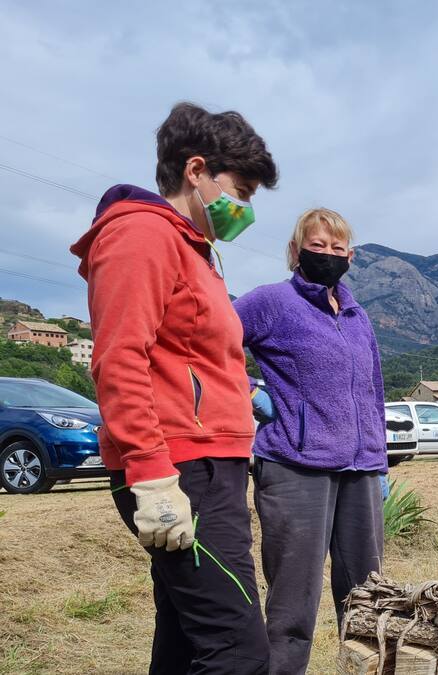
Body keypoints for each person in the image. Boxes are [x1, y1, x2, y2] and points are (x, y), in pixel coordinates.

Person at [70, 102, 277, 673]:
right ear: (197, 171)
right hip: (181, 467)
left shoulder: (193, 248)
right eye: (243, 189)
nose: (246, 208)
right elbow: (118, 361)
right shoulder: (142, 235)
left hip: (212, 462)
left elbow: (189, 356)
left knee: (188, 640)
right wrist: (153, 475)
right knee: (238, 651)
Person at [234, 208, 387, 674]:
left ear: (351, 256)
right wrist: (251, 392)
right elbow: (206, 344)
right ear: (295, 252)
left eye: (337, 248)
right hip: (295, 467)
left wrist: (379, 460)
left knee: (367, 598)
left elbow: (373, 387)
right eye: (317, 246)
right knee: (293, 601)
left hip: (360, 469)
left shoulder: (357, 313)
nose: (328, 255)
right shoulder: (270, 303)